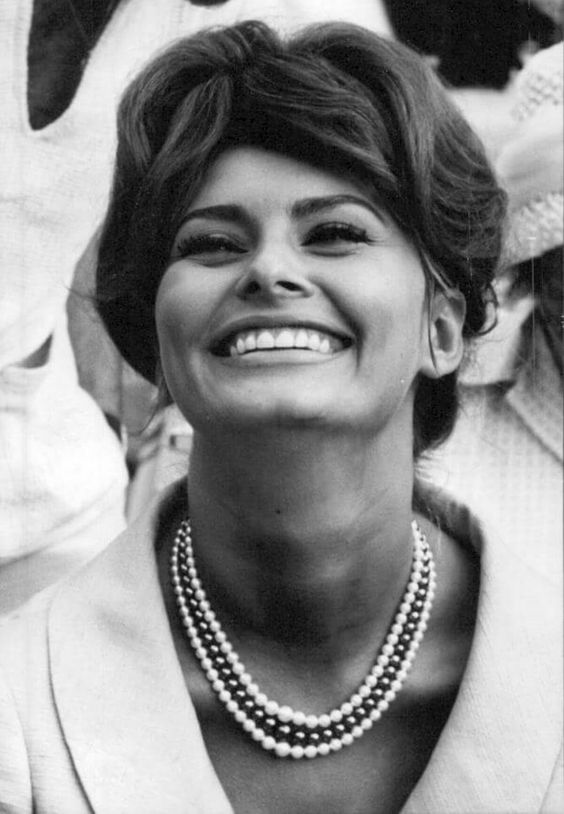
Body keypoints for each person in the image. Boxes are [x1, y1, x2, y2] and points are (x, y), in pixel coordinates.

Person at [0, 20, 561, 814]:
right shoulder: (18, 715)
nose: (268, 270)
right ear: (157, 339)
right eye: (211, 244)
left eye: (334, 233)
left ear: (441, 328)